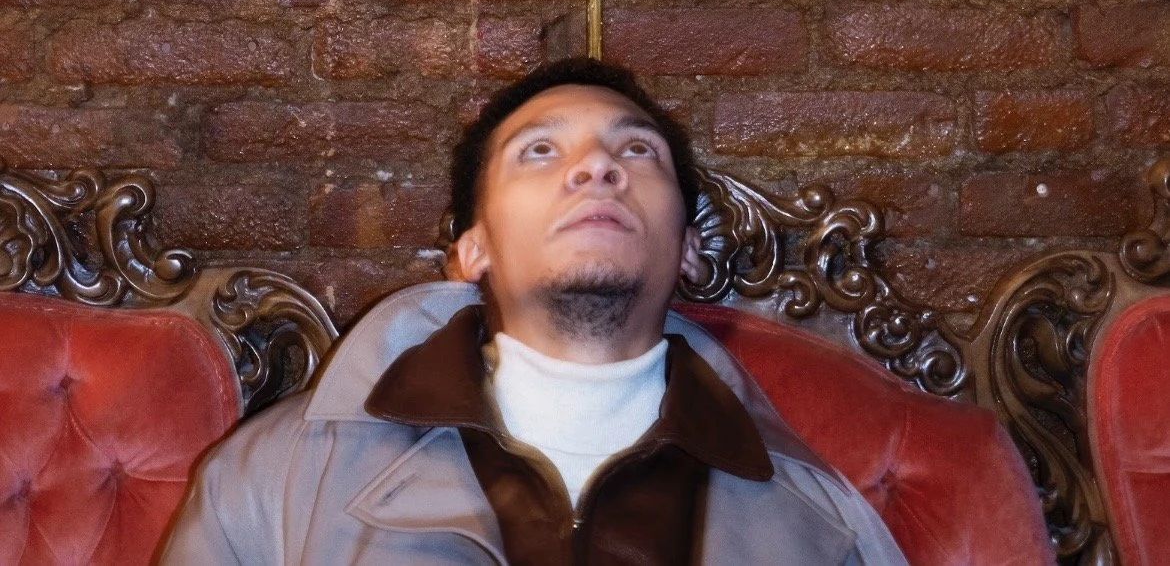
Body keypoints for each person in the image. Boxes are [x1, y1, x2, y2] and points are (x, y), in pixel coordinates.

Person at [160, 57, 909, 565]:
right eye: (541, 152)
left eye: (638, 151)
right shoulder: (271, 481)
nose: (597, 166)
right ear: (474, 248)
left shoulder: (825, 527)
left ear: (686, 247)